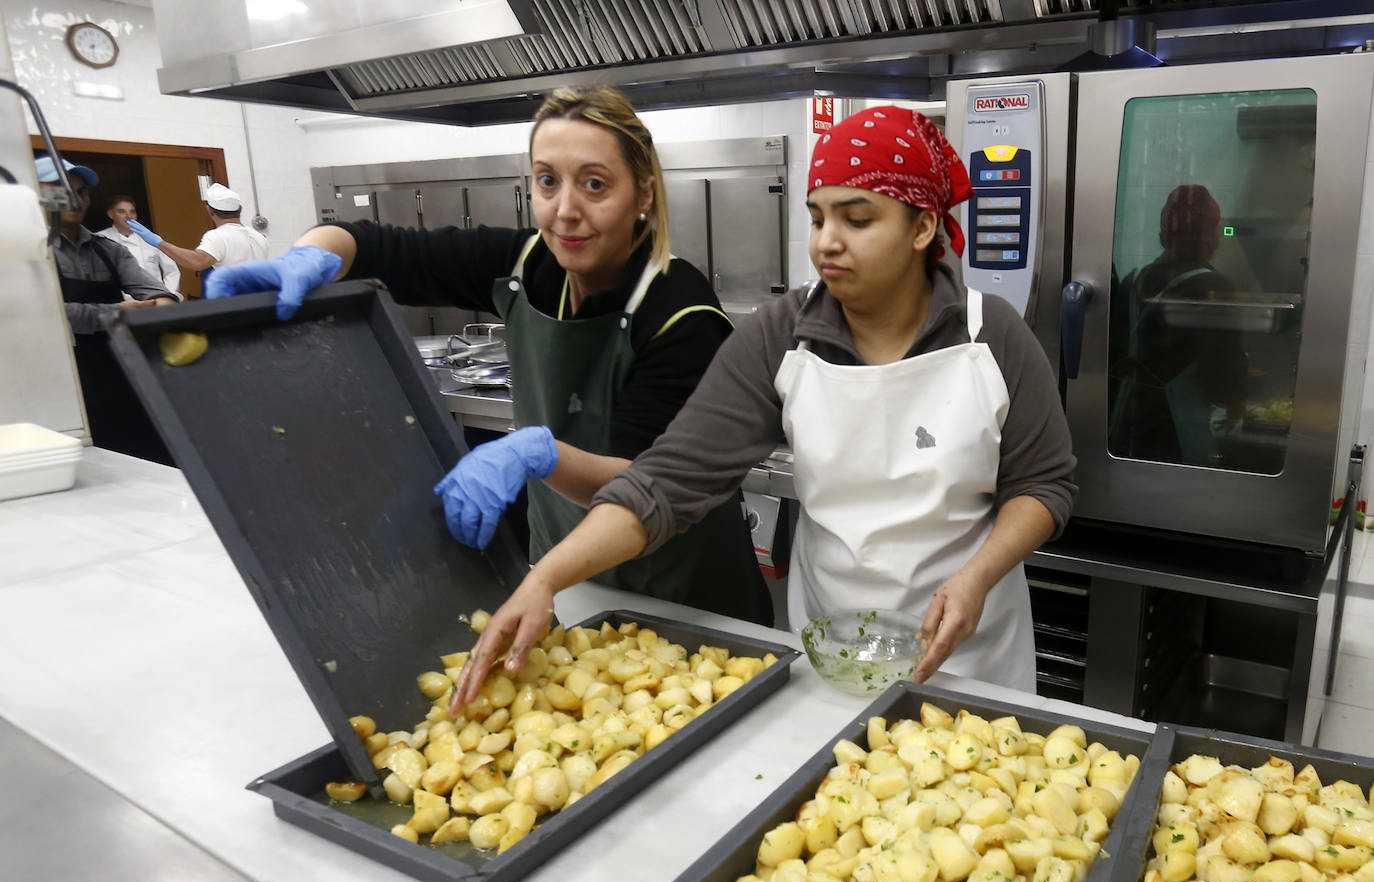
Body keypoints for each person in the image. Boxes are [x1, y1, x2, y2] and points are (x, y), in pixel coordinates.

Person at [452, 105, 1077, 706]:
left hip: (971, 657)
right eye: (817, 217)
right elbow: (668, 483)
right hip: (836, 650)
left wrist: (978, 576)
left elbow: (1044, 485)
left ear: (921, 228)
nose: (826, 243)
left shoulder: (989, 334)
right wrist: (547, 578)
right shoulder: (783, 334)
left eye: (856, 220)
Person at [202, 85, 773, 627]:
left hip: (682, 591)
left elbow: (648, 485)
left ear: (643, 193)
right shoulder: (525, 264)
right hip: (562, 580)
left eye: (595, 185)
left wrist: (537, 455)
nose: (565, 210)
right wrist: (308, 257)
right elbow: (370, 242)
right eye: (548, 182)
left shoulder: (680, 311)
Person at [39, 156, 179, 464]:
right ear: (39, 193)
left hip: (118, 369)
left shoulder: (108, 250)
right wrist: (118, 312)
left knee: (145, 455)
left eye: (82, 192)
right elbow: (47, 316)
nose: (76, 199)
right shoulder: (33, 253)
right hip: (62, 382)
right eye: (63, 189)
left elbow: (157, 292)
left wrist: (164, 307)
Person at [1108, 184, 1248, 467]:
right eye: (1214, 230)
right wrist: (1236, 404)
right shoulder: (1214, 288)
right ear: (1207, 237)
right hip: (1174, 436)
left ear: (1163, 236)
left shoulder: (1133, 281)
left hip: (1124, 428)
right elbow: (1225, 380)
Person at [123, 182, 269, 280]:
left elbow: (197, 261)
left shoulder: (218, 236)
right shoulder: (259, 237)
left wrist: (159, 243)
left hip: (238, 305)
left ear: (209, 210)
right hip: (262, 301)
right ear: (240, 209)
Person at [95, 192, 182, 300]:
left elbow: (171, 270)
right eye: (121, 212)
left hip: (156, 301)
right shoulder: (100, 240)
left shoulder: (151, 238)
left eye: (132, 212)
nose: (128, 216)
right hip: (122, 305)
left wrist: (168, 295)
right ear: (110, 214)